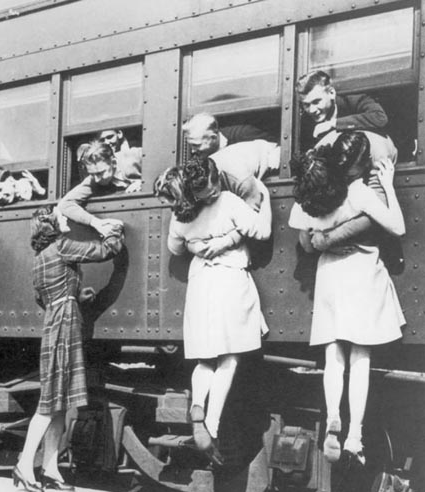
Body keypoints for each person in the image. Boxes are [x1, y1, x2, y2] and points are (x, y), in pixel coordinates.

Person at [289, 133, 406, 466]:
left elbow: (307, 244)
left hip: (329, 275)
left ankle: (331, 420)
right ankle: (354, 433)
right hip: (360, 270)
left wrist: (323, 237)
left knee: (332, 354)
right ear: (363, 162)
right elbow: (397, 227)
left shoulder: (318, 191)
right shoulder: (359, 192)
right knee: (360, 357)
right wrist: (390, 186)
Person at [154, 159, 271, 465]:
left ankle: (198, 405)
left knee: (206, 357)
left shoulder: (182, 213)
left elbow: (175, 249)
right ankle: (212, 424)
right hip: (229, 282)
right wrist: (265, 200)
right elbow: (261, 231)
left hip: (200, 284)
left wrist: (197, 243)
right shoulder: (229, 202)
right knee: (229, 358)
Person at [13, 206, 125, 492]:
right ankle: (25, 465)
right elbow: (104, 251)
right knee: (50, 402)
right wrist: (116, 230)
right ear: (50, 224)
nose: (66, 220)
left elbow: (43, 298)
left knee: (59, 402)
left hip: (56, 320)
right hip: (65, 324)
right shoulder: (61, 246)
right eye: (61, 218)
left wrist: (72, 296)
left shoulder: (40, 258)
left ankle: (50, 468)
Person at [58, 140, 141, 237]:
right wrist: (95, 222)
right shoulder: (93, 180)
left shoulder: (134, 157)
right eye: (92, 174)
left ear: (113, 163)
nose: (97, 180)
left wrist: (145, 182)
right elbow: (65, 204)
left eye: (100, 173)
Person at [297, 70, 389, 150]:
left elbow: (380, 118)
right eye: (306, 105)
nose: (312, 110)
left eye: (316, 102)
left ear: (331, 93)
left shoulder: (355, 102)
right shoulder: (305, 123)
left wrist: (333, 124)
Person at [182, 112, 276, 158]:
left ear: (213, 137)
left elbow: (277, 147)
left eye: (196, 145)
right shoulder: (198, 157)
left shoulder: (244, 134)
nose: (193, 151)